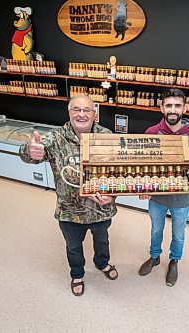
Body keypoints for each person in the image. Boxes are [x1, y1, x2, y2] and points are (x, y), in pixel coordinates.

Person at [19, 95, 118, 296]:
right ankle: (77, 274)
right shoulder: (55, 137)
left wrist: (113, 196)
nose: (81, 114)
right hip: (69, 212)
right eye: (76, 109)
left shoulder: (106, 136)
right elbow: (31, 154)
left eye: (86, 110)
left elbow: (118, 173)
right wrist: (29, 151)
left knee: (102, 241)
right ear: (69, 112)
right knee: (73, 246)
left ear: (94, 114)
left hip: (101, 209)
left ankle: (102, 264)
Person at [138, 88, 189, 287]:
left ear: (184, 108)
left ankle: (174, 261)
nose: (173, 109)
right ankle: (154, 257)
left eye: (177, 105)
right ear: (161, 108)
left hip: (181, 198)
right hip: (157, 197)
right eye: (169, 105)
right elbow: (142, 165)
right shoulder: (151, 133)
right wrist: (144, 186)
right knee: (156, 230)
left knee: (179, 233)